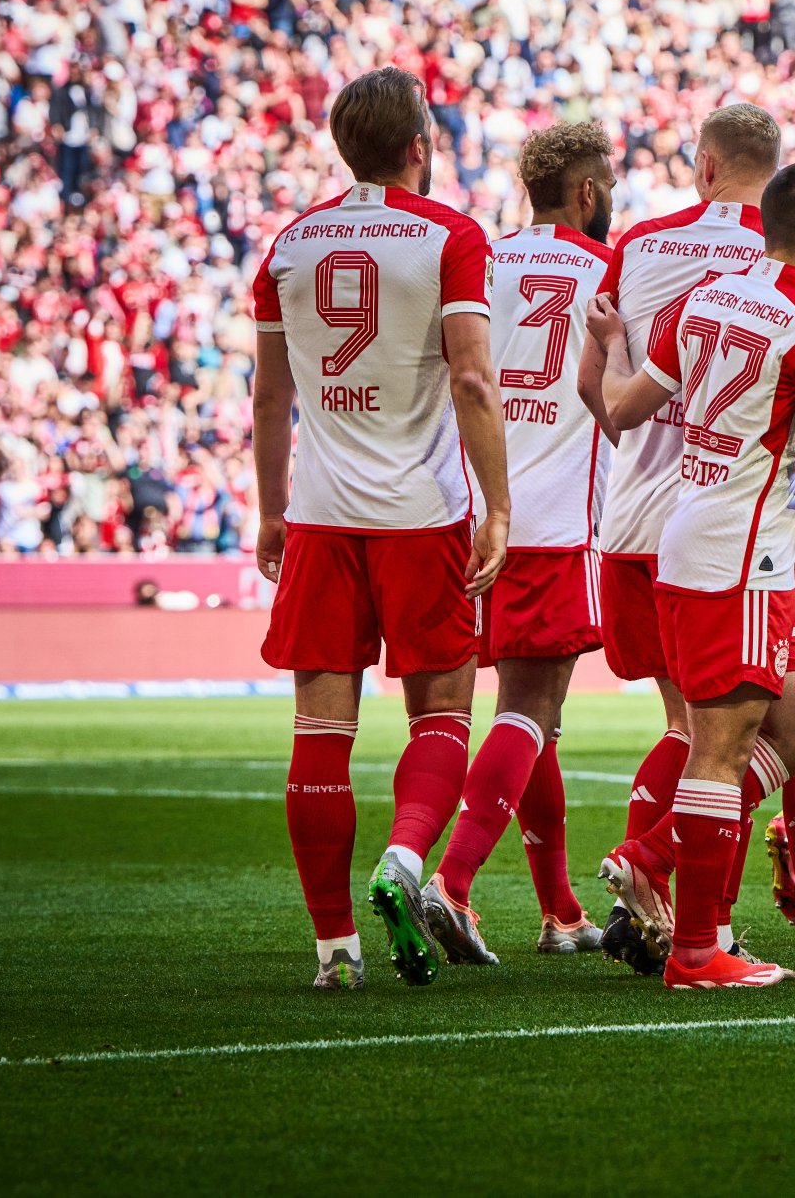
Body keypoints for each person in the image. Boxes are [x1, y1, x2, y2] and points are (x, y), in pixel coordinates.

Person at [250, 66, 510, 991]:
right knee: (442, 713)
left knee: (320, 728)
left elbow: (271, 393)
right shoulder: (450, 237)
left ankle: (332, 951)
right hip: (420, 514)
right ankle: (403, 862)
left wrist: (272, 508)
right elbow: (475, 382)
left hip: (321, 515)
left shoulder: (291, 243)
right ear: (416, 148)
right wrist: (500, 506)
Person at [585, 162, 795, 987]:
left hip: (693, 540)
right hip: (740, 557)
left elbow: (623, 412)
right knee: (721, 750)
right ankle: (699, 951)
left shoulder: (704, 298)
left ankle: (653, 852)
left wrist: (613, 344)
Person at [578, 104, 779, 975]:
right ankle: (703, 920)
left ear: (704, 166)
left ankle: (658, 902)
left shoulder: (642, 245)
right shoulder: (778, 263)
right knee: (737, 731)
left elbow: (598, 388)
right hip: (728, 519)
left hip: (630, 519)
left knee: (690, 724)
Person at [420, 123, 619, 966]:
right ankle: (453, 883)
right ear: (585, 193)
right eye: (605, 183)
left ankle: (561, 909)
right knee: (530, 710)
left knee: (537, 719)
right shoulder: (610, 274)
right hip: (556, 518)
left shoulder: (479, 261)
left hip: (472, 513)